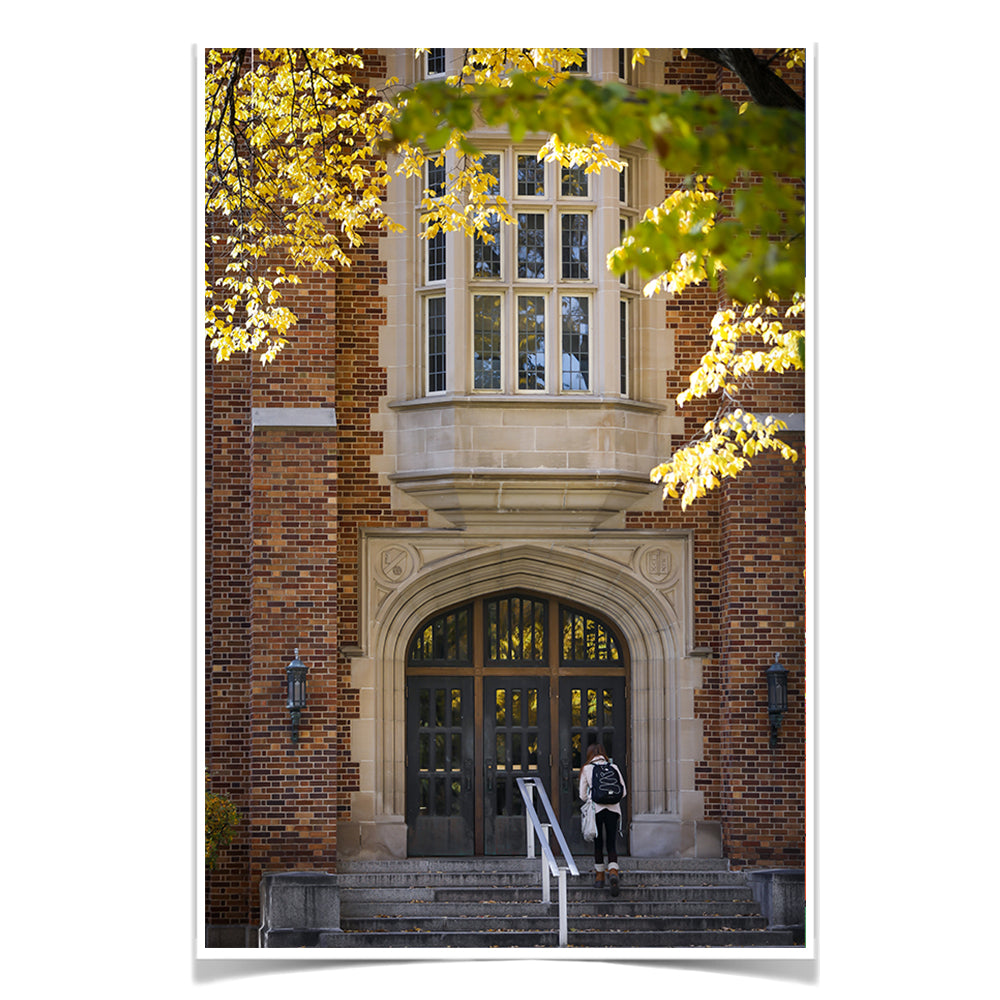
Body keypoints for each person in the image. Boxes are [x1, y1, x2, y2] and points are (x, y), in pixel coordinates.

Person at [579, 743, 626, 895]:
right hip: (613, 809)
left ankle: (599, 878)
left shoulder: (587, 769)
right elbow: (623, 792)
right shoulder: (614, 767)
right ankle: (613, 872)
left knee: (598, 843)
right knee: (611, 842)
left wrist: (591, 797)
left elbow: (582, 795)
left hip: (596, 809)